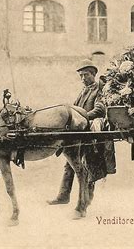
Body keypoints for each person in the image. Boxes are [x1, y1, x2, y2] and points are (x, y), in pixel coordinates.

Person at [48, 59, 115, 205]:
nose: (83, 78)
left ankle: (87, 198)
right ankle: (63, 196)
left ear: (93, 74)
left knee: (88, 162)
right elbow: (74, 108)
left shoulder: (99, 89)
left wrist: (82, 117)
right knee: (70, 162)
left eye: (86, 75)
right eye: (81, 76)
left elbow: (100, 109)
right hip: (79, 129)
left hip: (91, 128)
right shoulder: (83, 91)